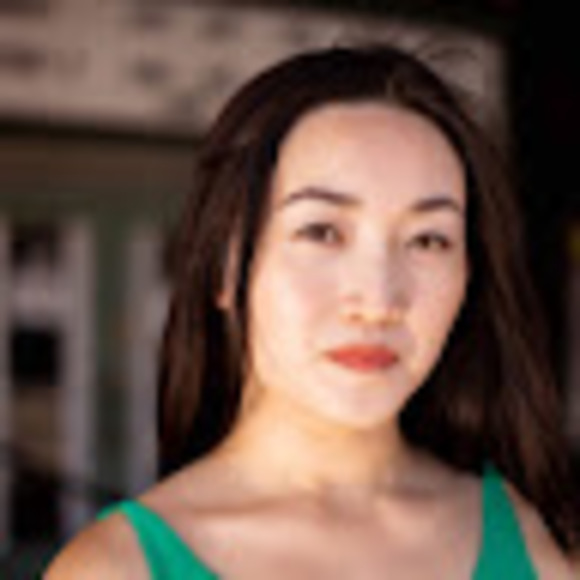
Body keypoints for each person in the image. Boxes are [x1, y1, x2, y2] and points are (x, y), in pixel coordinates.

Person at [45, 44, 580, 579]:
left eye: (427, 240)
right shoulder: (117, 568)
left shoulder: (532, 540)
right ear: (226, 267)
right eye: (321, 232)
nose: (378, 302)